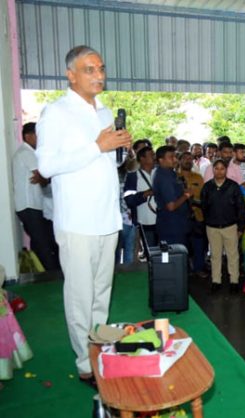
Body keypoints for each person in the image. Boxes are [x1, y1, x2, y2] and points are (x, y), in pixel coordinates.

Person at [36, 45, 132, 386]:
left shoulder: (105, 113)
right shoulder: (56, 113)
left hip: (107, 217)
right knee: (80, 295)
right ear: (71, 75)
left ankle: (100, 347)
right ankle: (84, 363)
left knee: (102, 290)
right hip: (77, 221)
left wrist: (119, 150)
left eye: (101, 68)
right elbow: (46, 166)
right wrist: (97, 146)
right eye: (90, 69)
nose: (99, 75)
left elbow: (110, 164)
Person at [13, 122, 60, 271]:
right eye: (37, 135)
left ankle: (40, 273)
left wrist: (43, 178)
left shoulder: (28, 153)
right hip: (29, 206)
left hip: (32, 206)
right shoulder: (26, 153)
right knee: (43, 243)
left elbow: (42, 177)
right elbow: (41, 175)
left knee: (40, 241)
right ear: (28, 136)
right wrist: (43, 178)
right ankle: (51, 275)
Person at [200, 159, 245, 293]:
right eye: (217, 168)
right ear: (212, 170)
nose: (219, 171)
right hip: (212, 227)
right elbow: (204, 207)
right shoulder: (207, 187)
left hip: (230, 226)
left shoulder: (233, 186)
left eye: (222, 168)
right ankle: (216, 281)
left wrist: (241, 227)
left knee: (233, 255)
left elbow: (241, 208)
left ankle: (234, 281)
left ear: (226, 170)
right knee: (215, 256)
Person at [153, 145, 191, 245]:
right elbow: (171, 206)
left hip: (177, 224)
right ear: (161, 160)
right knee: (173, 258)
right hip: (171, 227)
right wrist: (186, 195)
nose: (175, 160)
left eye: (175, 157)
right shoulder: (164, 177)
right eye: (171, 157)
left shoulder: (170, 173)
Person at [178, 151, 207, 278]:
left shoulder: (198, 177)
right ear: (179, 160)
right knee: (182, 245)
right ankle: (183, 270)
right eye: (184, 158)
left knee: (198, 244)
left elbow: (204, 197)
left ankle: (199, 268)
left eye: (190, 158)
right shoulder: (174, 177)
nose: (188, 160)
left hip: (198, 216)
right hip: (180, 216)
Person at [124, 146, 158, 248]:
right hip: (144, 223)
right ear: (142, 158)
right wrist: (146, 194)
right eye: (152, 155)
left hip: (162, 221)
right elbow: (129, 200)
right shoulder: (133, 176)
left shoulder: (158, 173)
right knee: (151, 253)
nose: (154, 157)